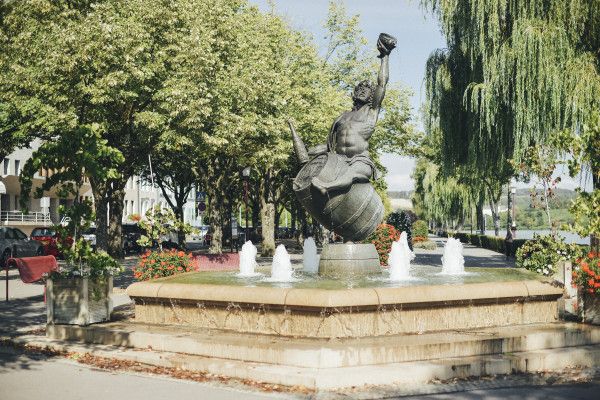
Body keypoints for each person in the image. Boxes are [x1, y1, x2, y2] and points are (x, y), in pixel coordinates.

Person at [311, 33, 396, 194]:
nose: (363, 90)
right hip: (338, 161)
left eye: (367, 90)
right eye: (360, 88)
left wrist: (385, 57)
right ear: (354, 93)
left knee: (351, 173)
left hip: (360, 161)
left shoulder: (371, 112)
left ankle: (327, 186)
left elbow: (382, 84)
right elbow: (329, 146)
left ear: (372, 96)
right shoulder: (341, 117)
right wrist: (309, 151)